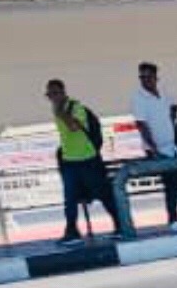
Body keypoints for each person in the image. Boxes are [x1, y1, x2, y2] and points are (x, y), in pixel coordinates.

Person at [44, 79, 129, 243]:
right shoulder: (56, 110)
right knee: (70, 198)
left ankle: (120, 224)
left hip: (87, 159)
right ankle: (72, 231)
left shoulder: (76, 107)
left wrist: (61, 112)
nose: (52, 98)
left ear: (63, 92)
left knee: (103, 193)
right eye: (49, 95)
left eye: (55, 93)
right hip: (69, 161)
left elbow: (73, 127)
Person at [130, 61, 177, 226]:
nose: (145, 80)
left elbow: (175, 105)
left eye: (148, 76)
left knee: (176, 182)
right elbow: (141, 125)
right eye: (142, 77)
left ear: (155, 77)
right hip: (156, 149)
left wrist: (173, 118)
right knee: (171, 182)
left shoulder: (163, 92)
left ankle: (176, 217)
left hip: (171, 146)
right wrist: (153, 149)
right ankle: (173, 219)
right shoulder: (138, 98)